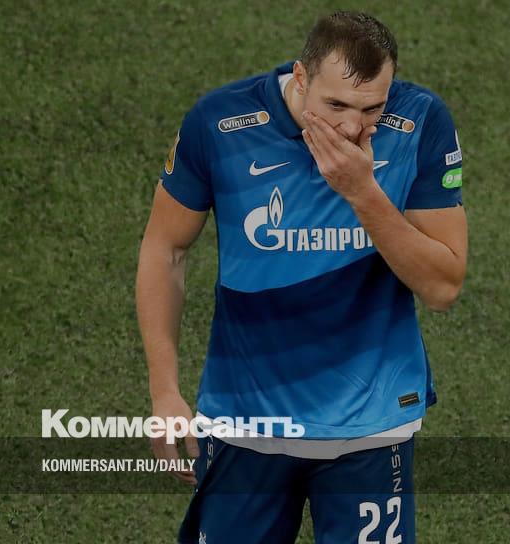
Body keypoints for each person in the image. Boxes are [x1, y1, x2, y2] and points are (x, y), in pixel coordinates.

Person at [136, 10, 467, 543]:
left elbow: (443, 287)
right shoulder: (220, 123)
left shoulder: (420, 121)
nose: (352, 128)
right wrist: (164, 391)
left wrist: (363, 192)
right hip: (246, 422)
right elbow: (165, 249)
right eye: (335, 106)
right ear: (301, 76)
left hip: (372, 426)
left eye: (372, 109)